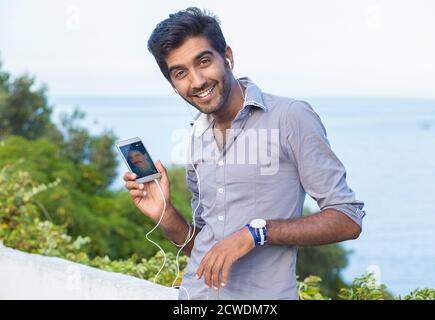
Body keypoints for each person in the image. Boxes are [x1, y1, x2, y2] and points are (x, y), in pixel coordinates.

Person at [123, 7, 365, 300]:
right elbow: (205, 249)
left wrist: (256, 233)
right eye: (180, 73)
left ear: (228, 57)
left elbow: (347, 219)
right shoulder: (197, 138)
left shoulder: (291, 117)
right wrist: (164, 214)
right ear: (173, 85)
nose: (197, 80)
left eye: (204, 61)